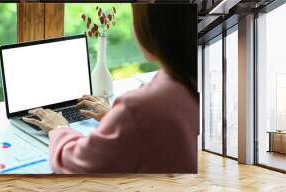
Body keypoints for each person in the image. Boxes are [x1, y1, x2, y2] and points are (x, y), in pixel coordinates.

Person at [23, 4, 199, 174]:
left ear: (153, 27)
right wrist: (114, 117)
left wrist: (59, 128)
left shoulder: (139, 106)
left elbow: (74, 164)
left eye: (135, 19)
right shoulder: (191, 78)